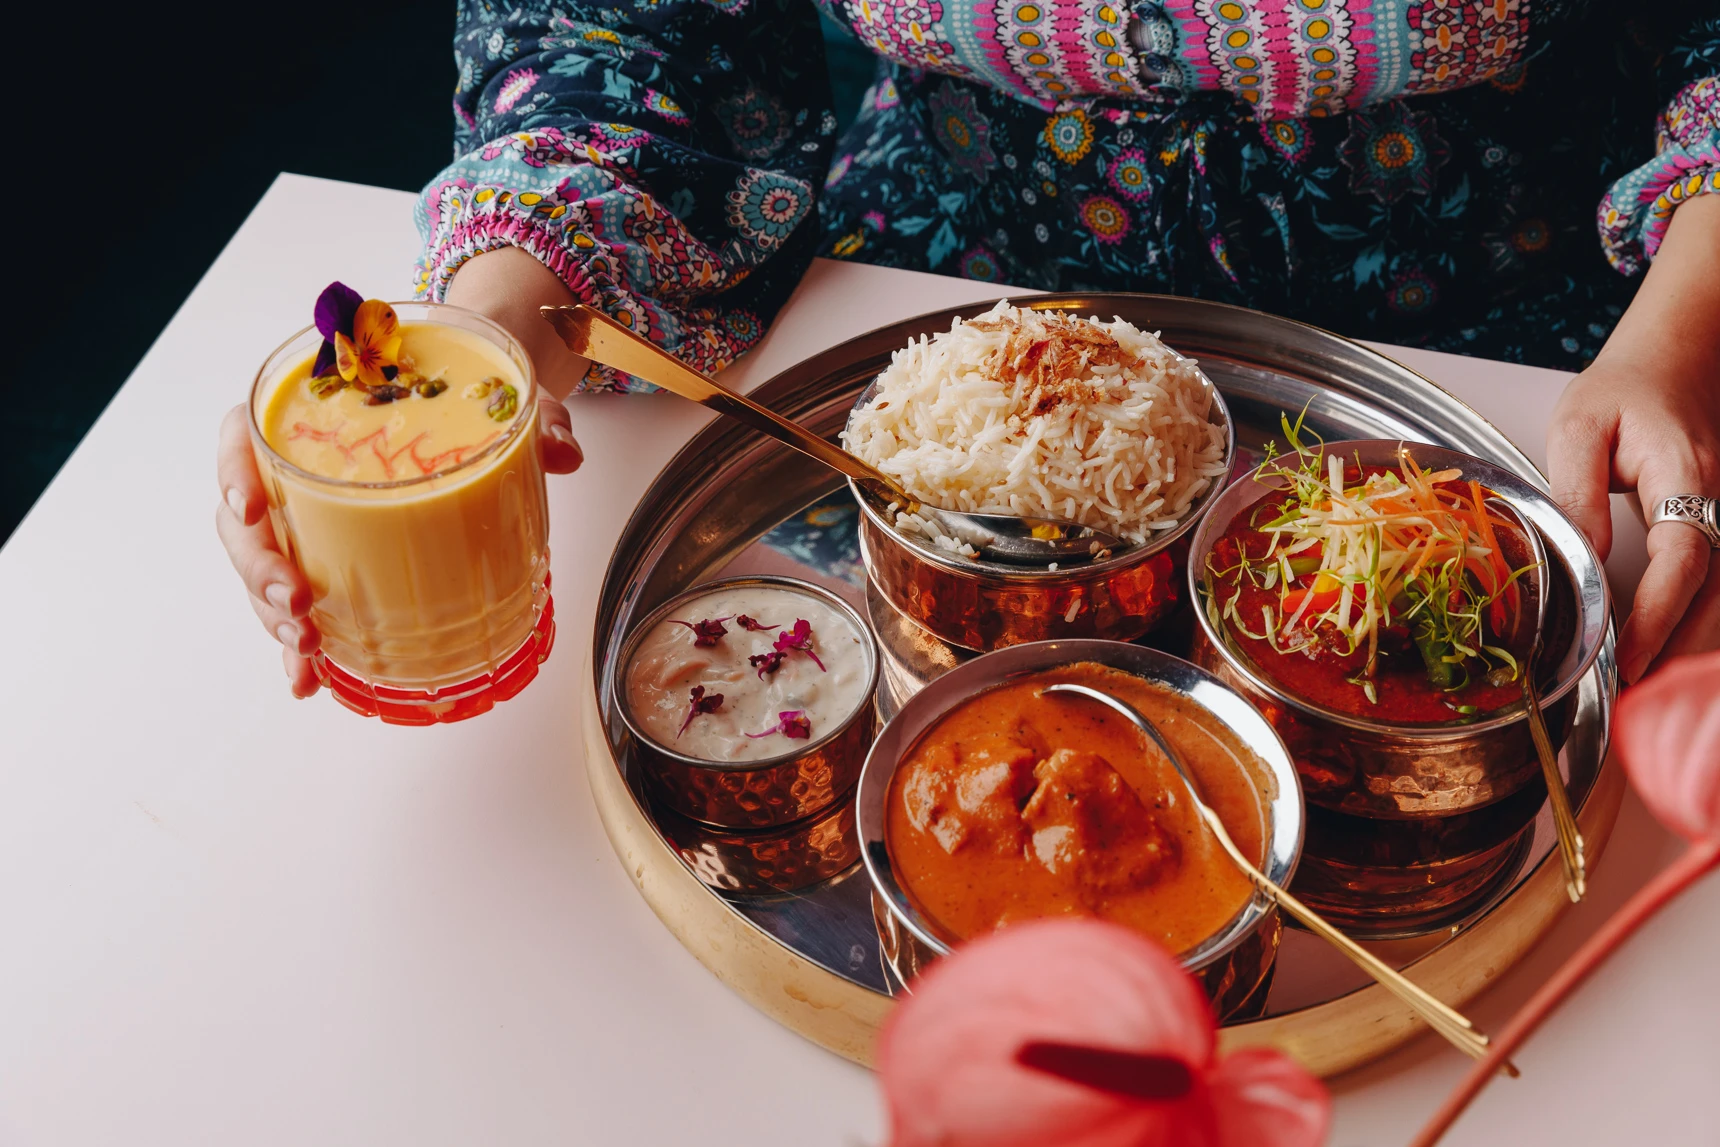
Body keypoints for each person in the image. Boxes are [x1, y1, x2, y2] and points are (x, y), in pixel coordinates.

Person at [219, 0, 1718, 697]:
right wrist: (489, 336)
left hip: (1516, 354)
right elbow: (618, 32)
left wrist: (1681, 342)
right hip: (924, 321)